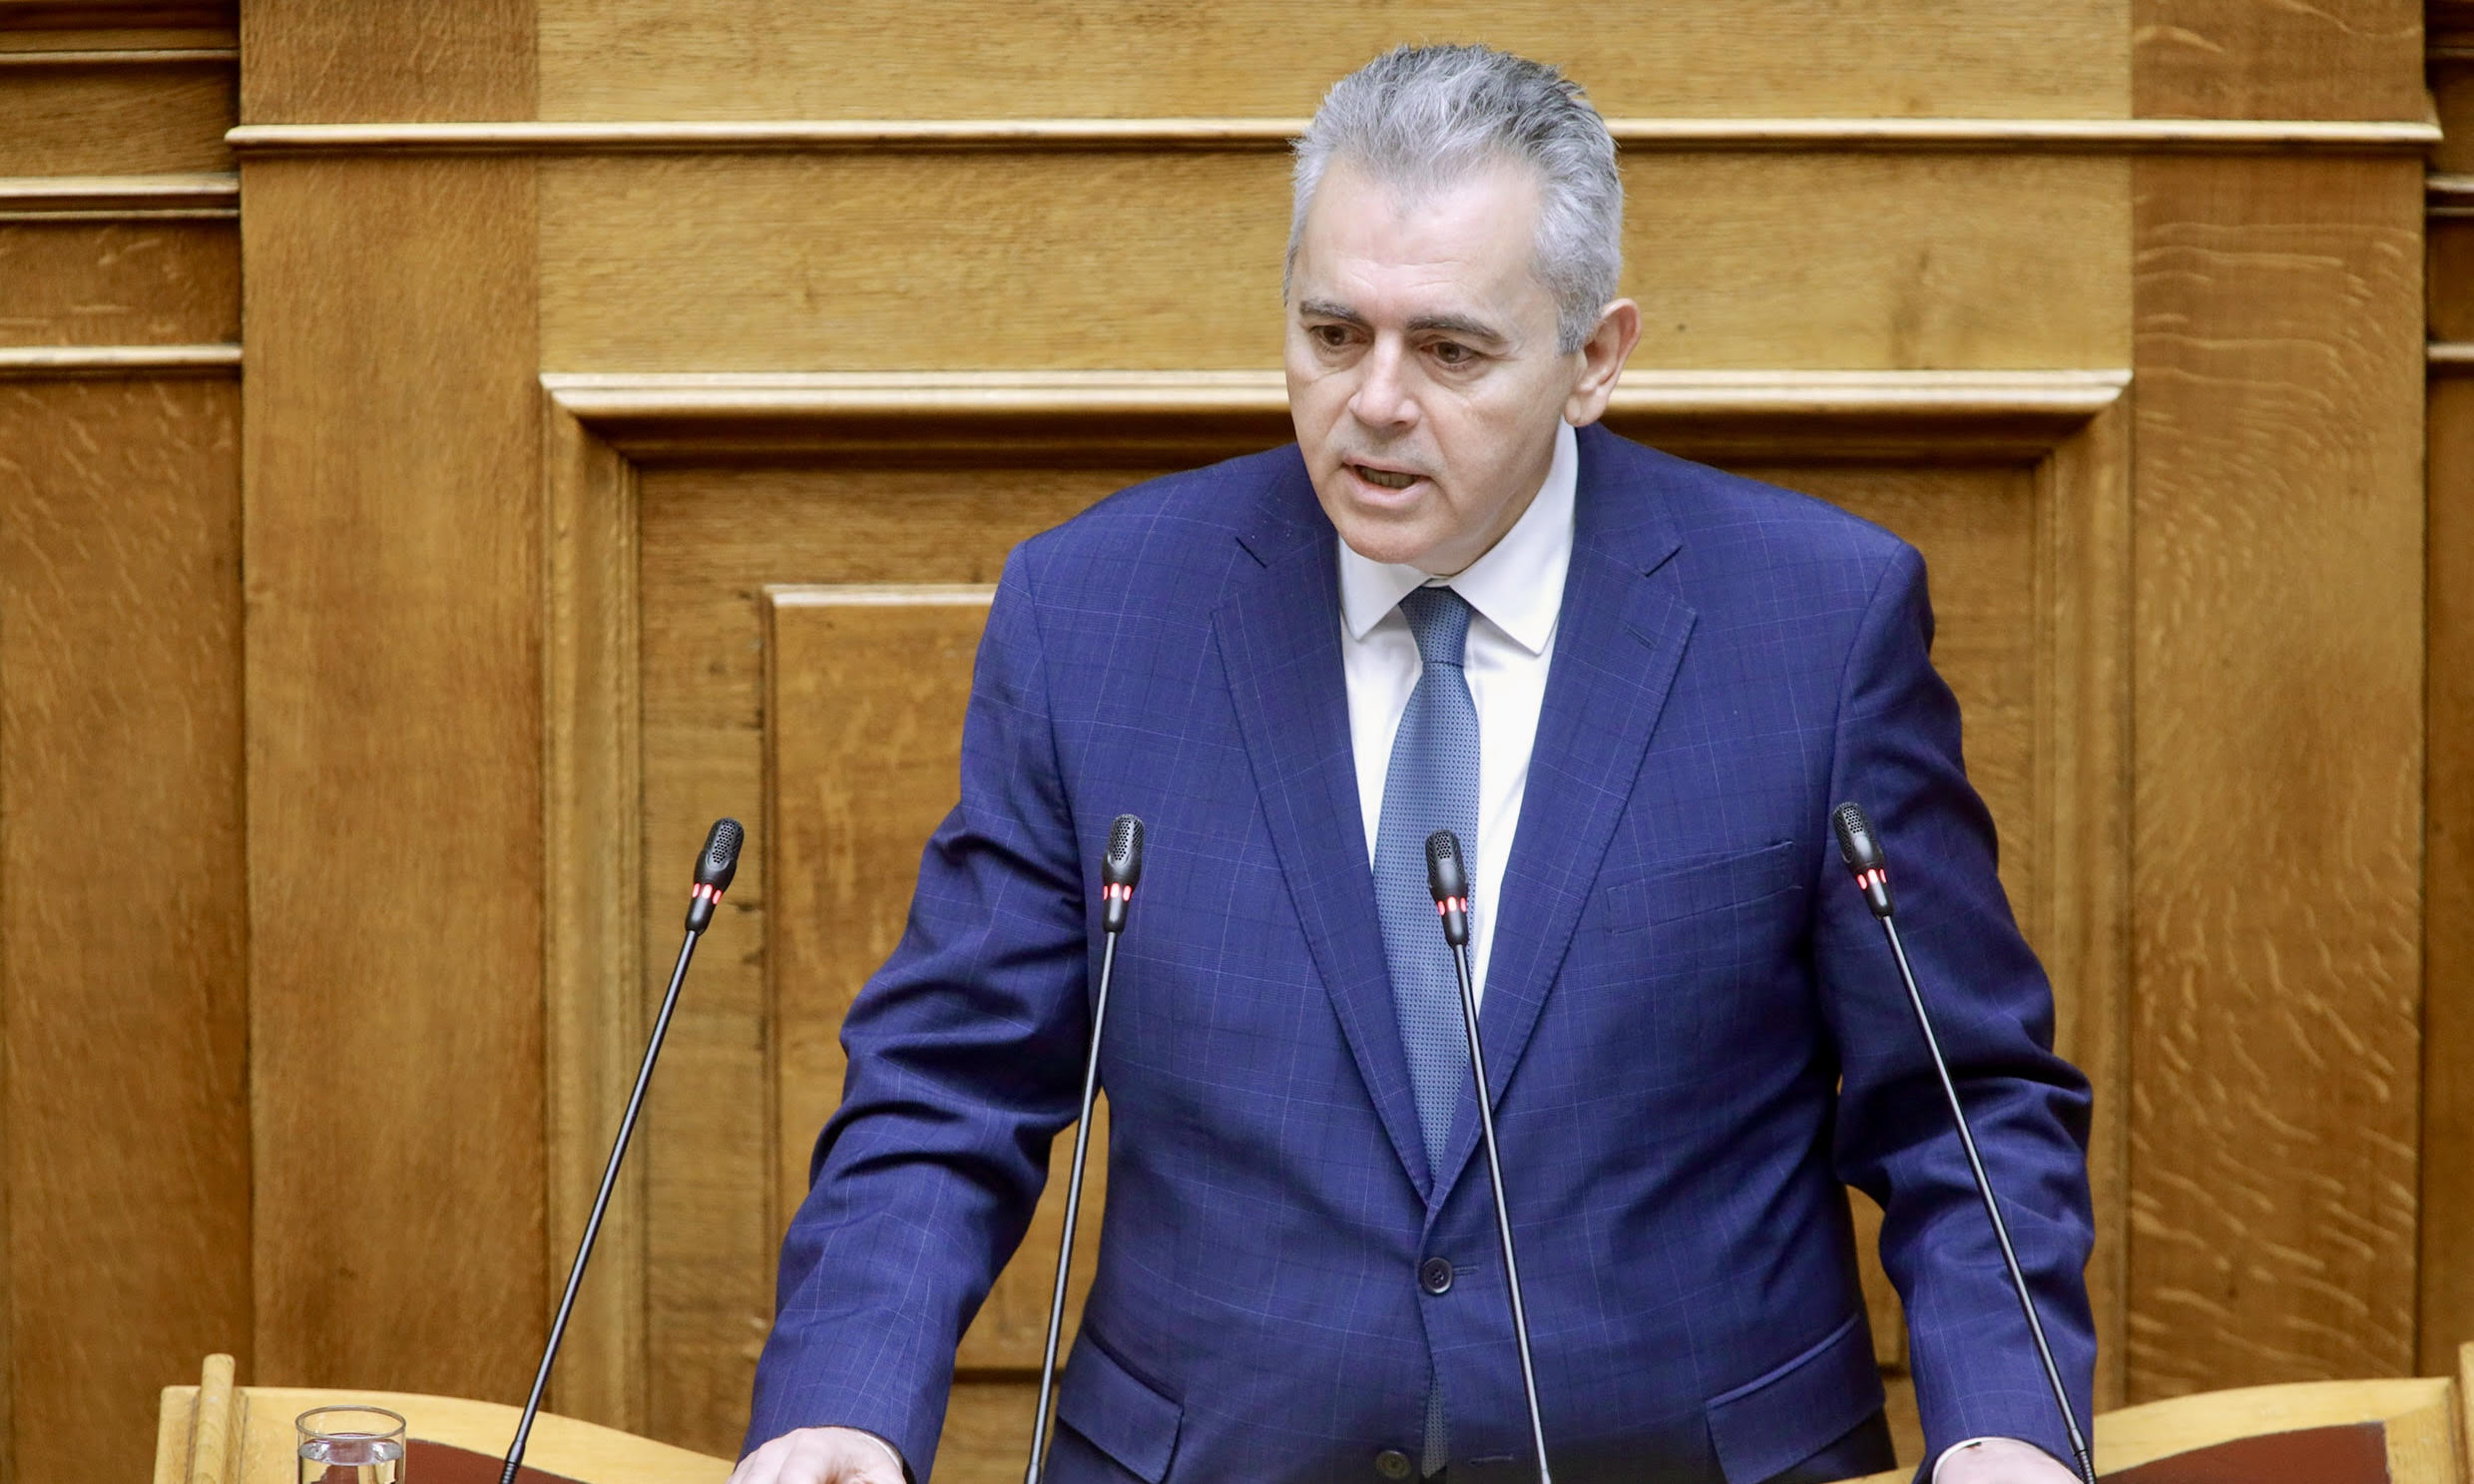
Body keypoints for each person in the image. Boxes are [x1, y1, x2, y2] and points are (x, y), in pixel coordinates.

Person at [731, 44, 2094, 1484]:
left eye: (1449, 352)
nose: (1375, 401)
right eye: (1333, 334)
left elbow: (1967, 1103)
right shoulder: (1099, 615)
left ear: (1595, 359)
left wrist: (2007, 1429)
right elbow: (950, 1083)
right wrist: (843, 1404)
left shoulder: (1812, 625)